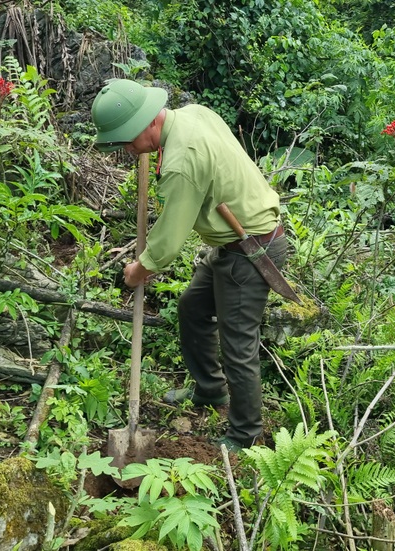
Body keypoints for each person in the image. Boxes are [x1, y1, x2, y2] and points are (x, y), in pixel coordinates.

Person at [91, 79, 288, 452]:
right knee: (192, 309)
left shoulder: (182, 161)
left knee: (239, 346)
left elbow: (168, 240)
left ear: (150, 122)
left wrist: (139, 270)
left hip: (250, 248)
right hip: (231, 242)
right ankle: (210, 391)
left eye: (129, 141)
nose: (130, 151)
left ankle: (244, 435)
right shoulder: (192, 114)